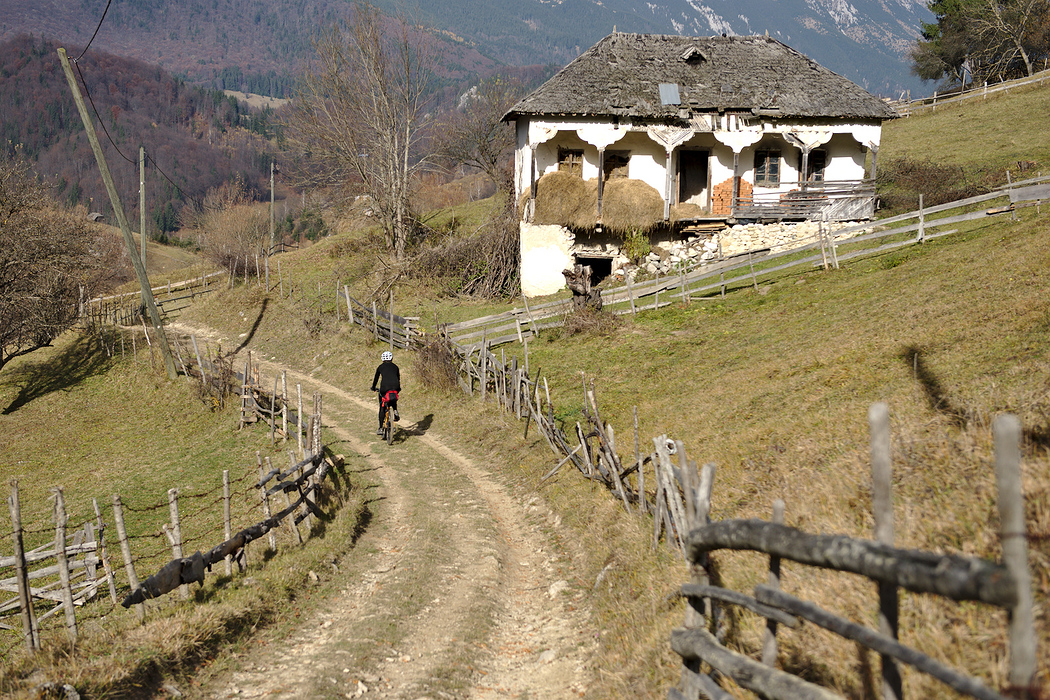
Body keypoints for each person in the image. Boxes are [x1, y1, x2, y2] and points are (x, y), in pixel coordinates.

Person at [370, 350, 400, 435]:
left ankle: (380, 428)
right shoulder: (396, 367)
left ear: (382, 359)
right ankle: (395, 410)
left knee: (382, 407)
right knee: (393, 397)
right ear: (392, 358)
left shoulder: (380, 367)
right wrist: (398, 388)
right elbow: (398, 378)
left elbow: (376, 378)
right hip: (395, 386)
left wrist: (373, 387)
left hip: (384, 388)